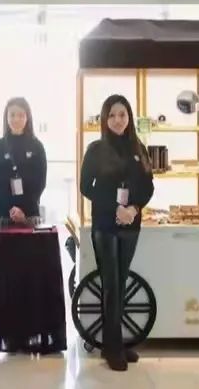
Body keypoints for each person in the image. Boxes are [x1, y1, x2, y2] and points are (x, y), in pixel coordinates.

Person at [79, 94, 154, 371]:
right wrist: (115, 208)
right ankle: (111, 349)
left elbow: (148, 186)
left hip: (131, 224)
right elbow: (86, 187)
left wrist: (133, 208)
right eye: (112, 115)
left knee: (121, 284)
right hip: (105, 224)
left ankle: (116, 343)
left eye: (122, 114)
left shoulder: (138, 148)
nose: (117, 120)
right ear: (104, 119)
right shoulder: (96, 149)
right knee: (110, 285)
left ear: (129, 117)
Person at [0, 97, 47, 228]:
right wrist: (11, 208)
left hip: (29, 214)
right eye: (12, 115)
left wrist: (22, 210)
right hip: (2, 214)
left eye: (21, 115)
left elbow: (40, 183)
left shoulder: (37, 146)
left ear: (27, 117)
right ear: (6, 118)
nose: (16, 119)